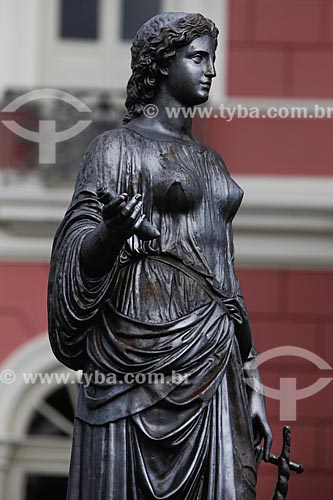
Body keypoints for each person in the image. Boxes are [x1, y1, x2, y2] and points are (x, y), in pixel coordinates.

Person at [48, 12, 272, 500]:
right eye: (197, 57)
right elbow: (76, 252)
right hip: (132, 358)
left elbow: (225, 277)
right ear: (161, 64)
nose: (210, 70)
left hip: (214, 355)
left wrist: (252, 381)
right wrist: (110, 234)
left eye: (211, 57)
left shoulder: (213, 162)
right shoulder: (114, 149)